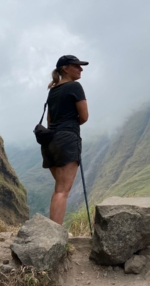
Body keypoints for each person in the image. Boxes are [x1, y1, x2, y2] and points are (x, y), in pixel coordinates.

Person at [42, 54, 89, 225]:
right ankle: (55, 234)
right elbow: (84, 117)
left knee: (58, 188)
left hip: (49, 141)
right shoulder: (75, 87)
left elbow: (49, 120)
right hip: (67, 140)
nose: (80, 69)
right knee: (62, 190)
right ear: (65, 69)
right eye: (76, 66)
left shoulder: (52, 91)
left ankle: (52, 230)